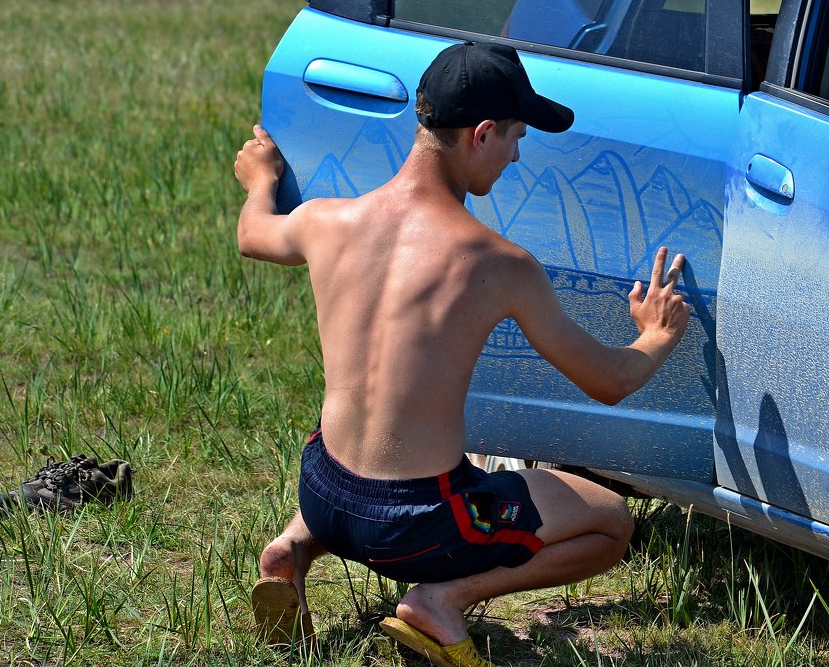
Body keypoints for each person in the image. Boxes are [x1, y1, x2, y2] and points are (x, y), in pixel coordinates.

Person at [234, 41, 691, 666]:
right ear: (480, 134)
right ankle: (444, 601)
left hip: (320, 489)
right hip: (417, 528)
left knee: (357, 475)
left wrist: (260, 180)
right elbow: (610, 381)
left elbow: (252, 233)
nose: (517, 153)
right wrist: (655, 335)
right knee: (611, 523)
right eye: (514, 137)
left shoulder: (324, 220)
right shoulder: (499, 266)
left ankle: (292, 548)